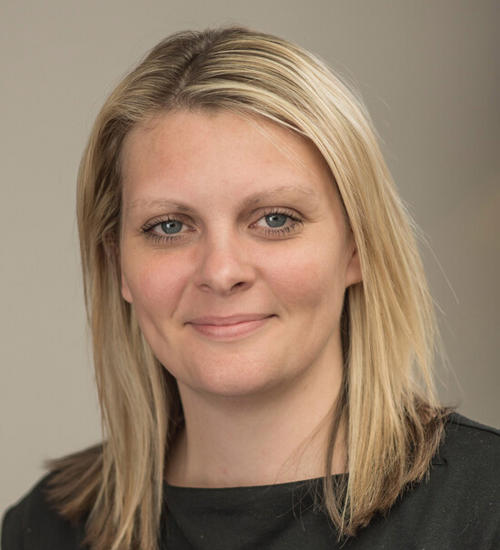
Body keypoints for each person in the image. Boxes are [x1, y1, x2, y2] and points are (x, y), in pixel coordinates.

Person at [2, 25, 499, 550]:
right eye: (169, 226)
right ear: (118, 264)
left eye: (275, 220)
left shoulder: (483, 511)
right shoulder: (46, 529)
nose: (221, 271)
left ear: (357, 247)